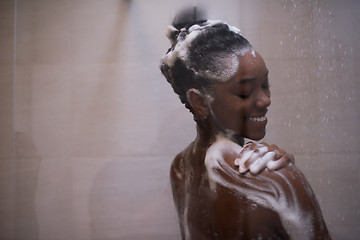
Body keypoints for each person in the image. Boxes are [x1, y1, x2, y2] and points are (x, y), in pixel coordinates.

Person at [160, 9, 331, 240]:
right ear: (199, 102)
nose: (266, 99)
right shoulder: (277, 179)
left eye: (265, 84)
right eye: (245, 91)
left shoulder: (180, 168)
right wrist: (284, 173)